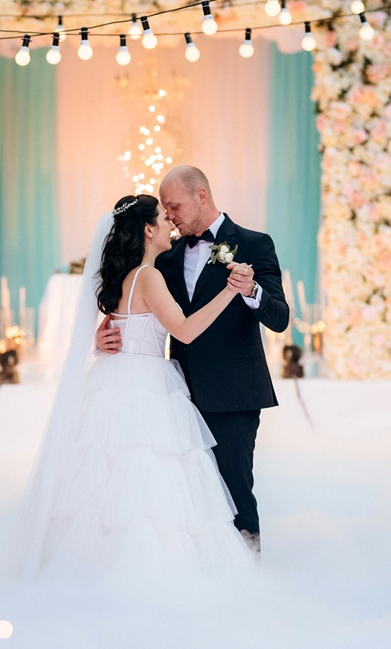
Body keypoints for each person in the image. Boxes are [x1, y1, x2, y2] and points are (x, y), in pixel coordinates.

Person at [10, 194, 257, 579]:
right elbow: (184, 331)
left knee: (110, 476)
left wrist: (99, 340)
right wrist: (229, 290)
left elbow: (121, 326)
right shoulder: (148, 276)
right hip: (145, 384)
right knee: (148, 475)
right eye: (163, 217)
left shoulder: (124, 276)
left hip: (113, 378)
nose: (170, 223)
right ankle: (149, 571)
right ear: (148, 229)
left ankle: (101, 564)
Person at [97, 165, 289, 554]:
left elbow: (280, 317)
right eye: (164, 209)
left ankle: (248, 567)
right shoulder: (164, 256)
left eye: (175, 206)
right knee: (185, 496)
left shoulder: (254, 244)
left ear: (201, 195)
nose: (169, 216)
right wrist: (105, 333)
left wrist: (250, 289)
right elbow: (136, 304)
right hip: (176, 396)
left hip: (233, 392)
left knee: (235, 489)